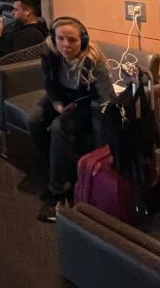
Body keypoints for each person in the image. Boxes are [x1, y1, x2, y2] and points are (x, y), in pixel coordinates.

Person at [30, 16, 115, 223]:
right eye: (61, 39)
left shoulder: (94, 62)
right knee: (34, 120)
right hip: (62, 99)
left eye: (72, 40)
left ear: (83, 41)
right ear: (54, 38)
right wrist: (57, 104)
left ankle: (59, 191)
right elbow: (49, 84)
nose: (65, 45)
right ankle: (54, 166)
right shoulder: (51, 55)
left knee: (59, 126)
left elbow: (108, 99)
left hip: (85, 105)